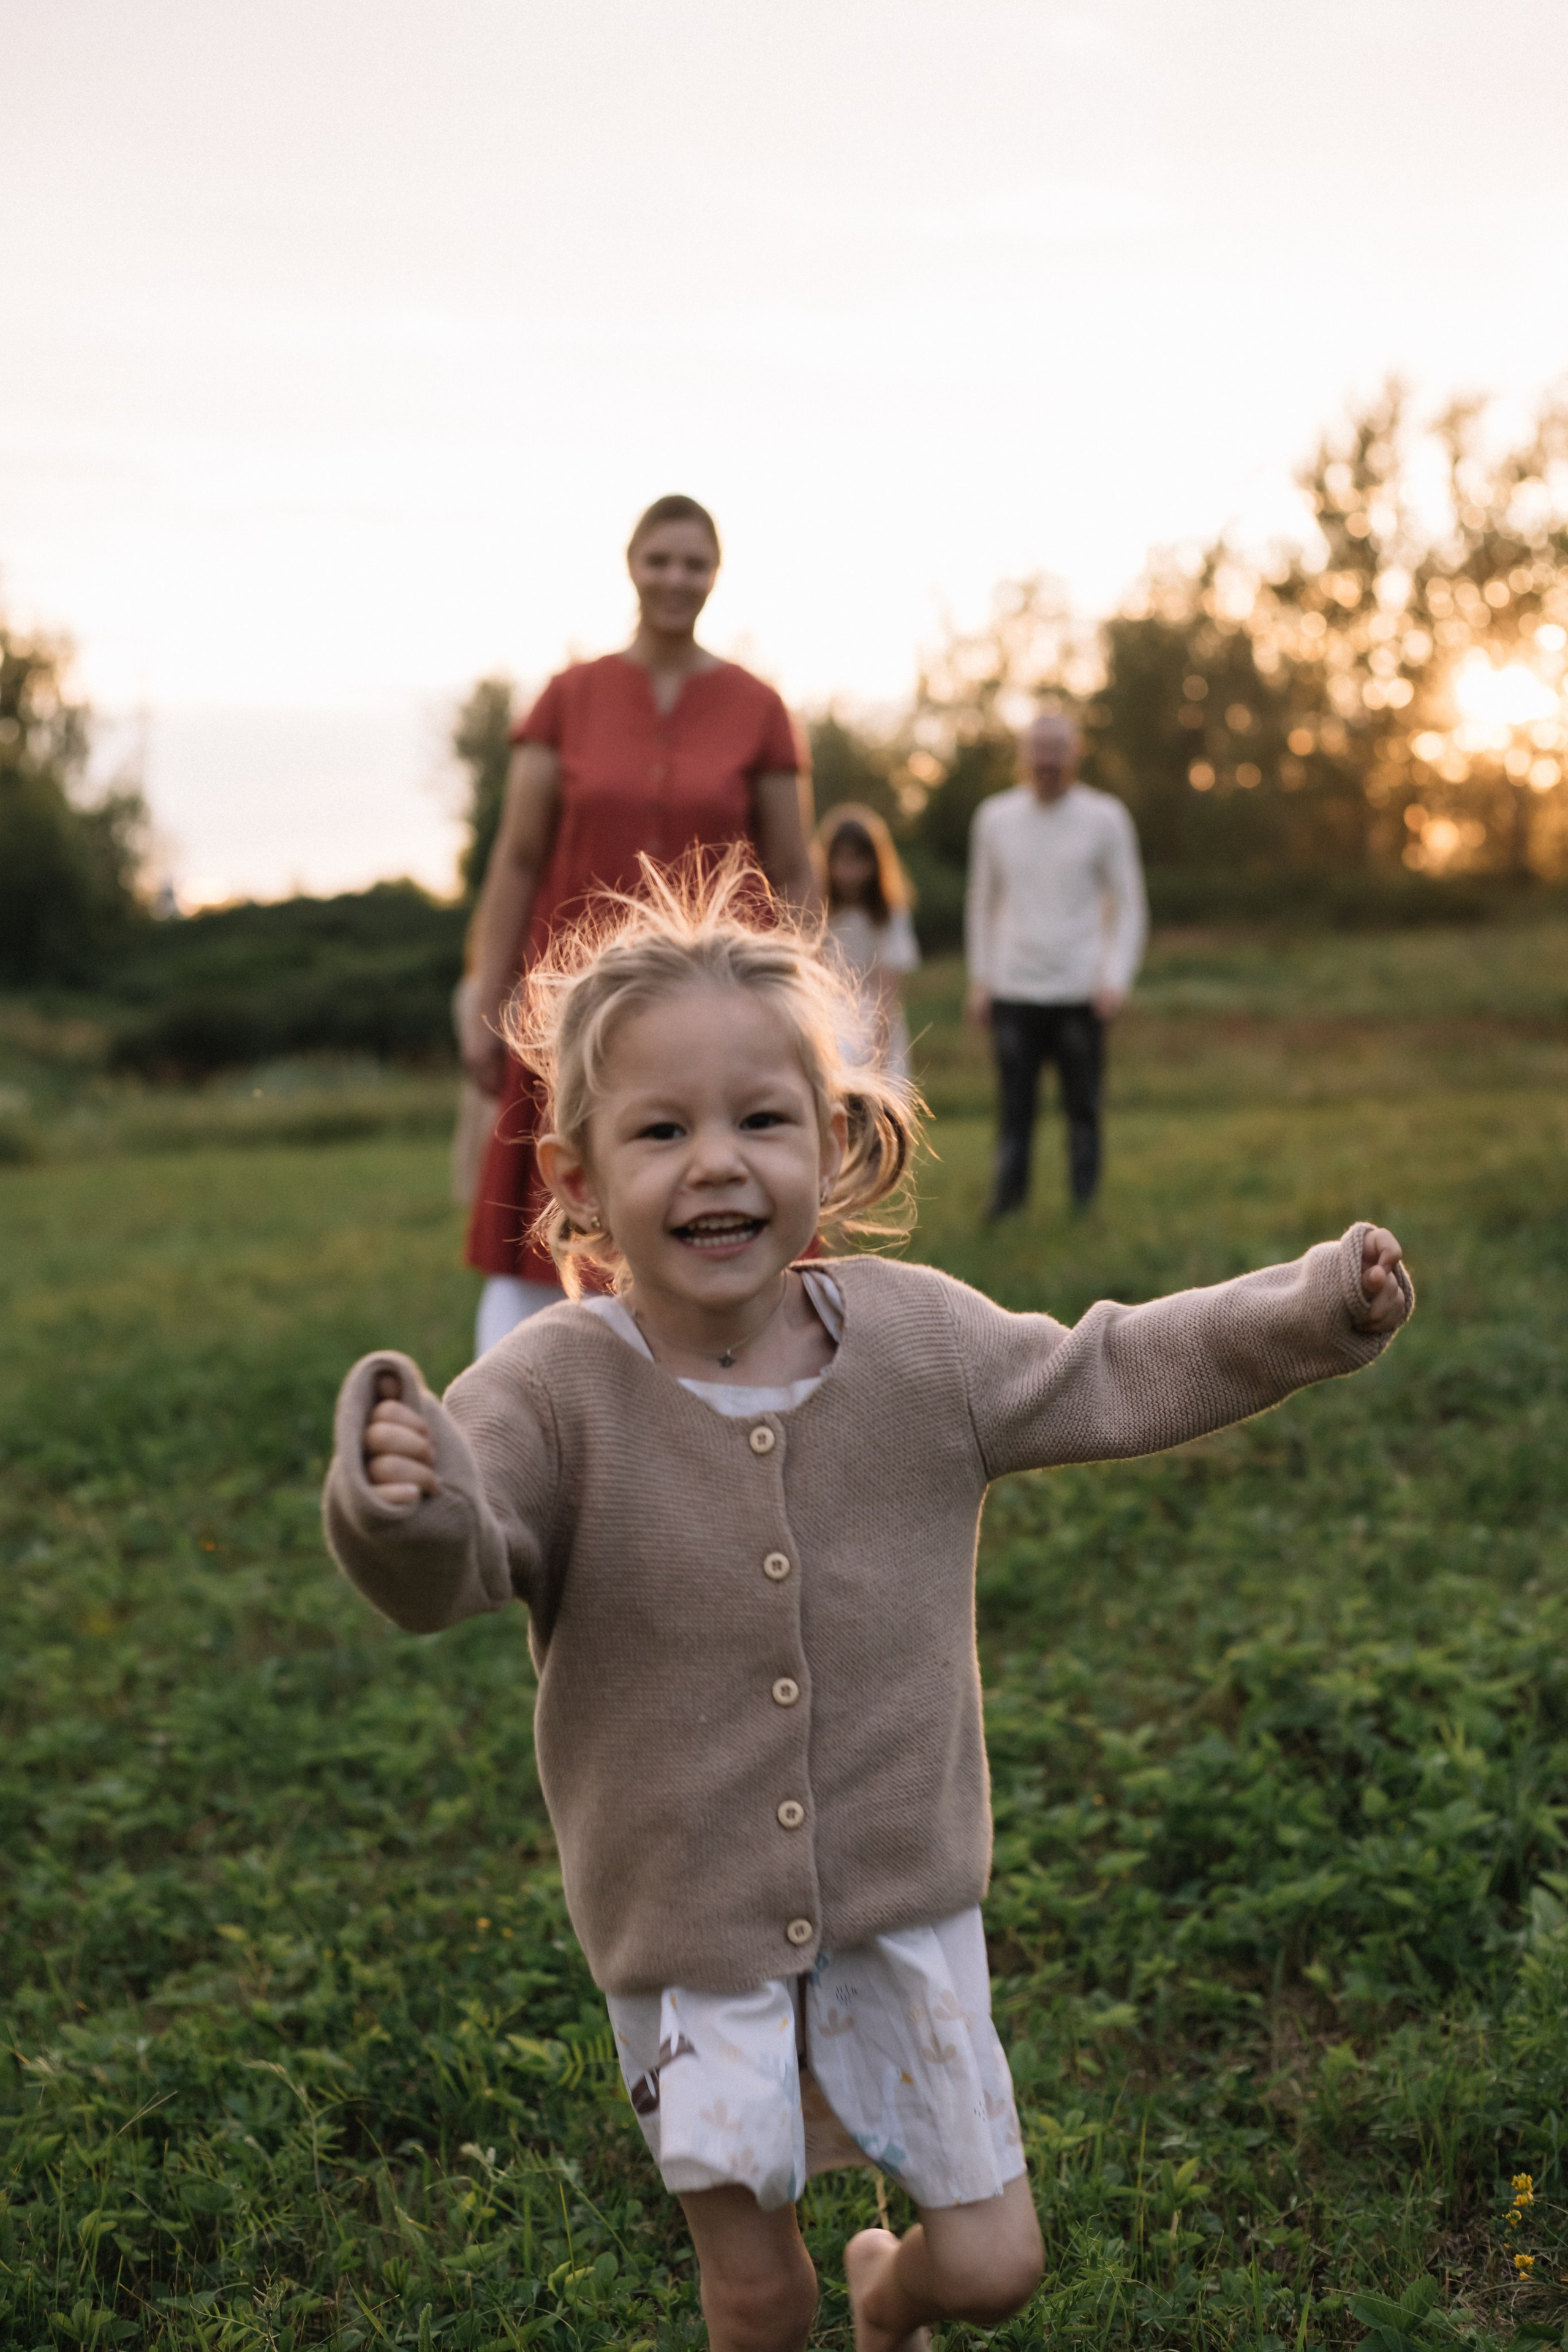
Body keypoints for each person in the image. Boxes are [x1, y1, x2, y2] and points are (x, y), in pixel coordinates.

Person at [322, 855, 1412, 2352]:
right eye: (660, 1130)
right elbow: (459, 1554)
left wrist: (1306, 1309)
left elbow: (1104, 1365)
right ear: (576, 1179)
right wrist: (405, 1499)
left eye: (760, 1119)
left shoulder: (920, 1344)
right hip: (688, 1924)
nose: (716, 1162)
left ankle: (886, 2289)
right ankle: (800, 2291)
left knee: (993, 2262)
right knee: (754, 2294)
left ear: (830, 1143)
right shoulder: (552, 1390)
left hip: (904, 1909)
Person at [461, 494, 817, 1358]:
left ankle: (720, 1384)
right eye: (661, 560)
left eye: (694, 564)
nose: (676, 579)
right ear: (632, 564)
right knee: (544, 1215)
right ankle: (515, 1412)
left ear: (715, 576)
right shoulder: (567, 699)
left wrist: (812, 1008)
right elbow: (516, 858)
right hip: (568, 1006)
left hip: (718, 1004)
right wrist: (483, 983)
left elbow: (795, 870)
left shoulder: (758, 708)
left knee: (713, 1186)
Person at [965, 709, 1148, 1219]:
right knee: (1013, 1109)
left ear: (1075, 753)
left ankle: (1083, 1206)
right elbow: (982, 901)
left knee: (1083, 1108)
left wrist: (1115, 979)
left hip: (1080, 992)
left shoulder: (1105, 817)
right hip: (1012, 989)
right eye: (1038, 749)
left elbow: (1130, 903)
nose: (1046, 760)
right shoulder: (994, 818)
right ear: (1024, 755)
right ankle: (1007, 1202)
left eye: (1056, 749)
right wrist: (981, 979)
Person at [815, 802, 921, 1088]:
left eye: (858, 860)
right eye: (841, 860)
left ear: (875, 863)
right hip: (827, 1023)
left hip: (874, 1024)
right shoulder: (819, 913)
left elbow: (887, 988)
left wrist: (880, 1043)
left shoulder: (889, 915)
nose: (848, 872)